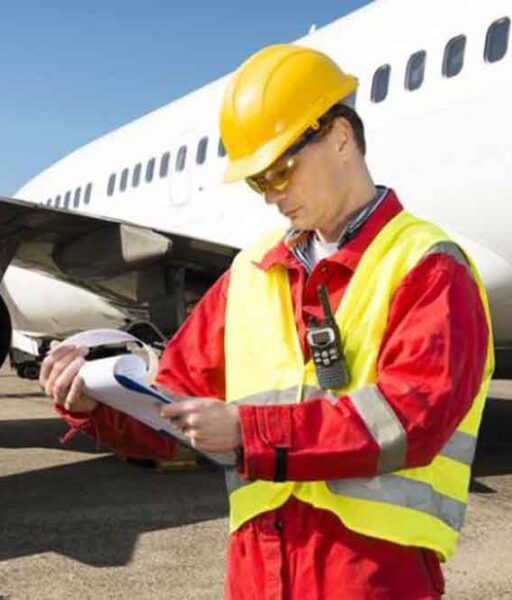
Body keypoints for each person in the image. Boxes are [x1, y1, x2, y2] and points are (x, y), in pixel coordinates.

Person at [40, 44, 493, 599]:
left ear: (341, 137)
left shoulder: (427, 264)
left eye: (280, 169)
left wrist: (247, 432)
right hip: (259, 570)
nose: (272, 195)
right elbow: (172, 407)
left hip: (371, 576)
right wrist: (94, 404)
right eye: (258, 181)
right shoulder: (252, 272)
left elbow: (411, 419)